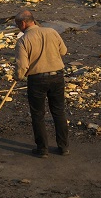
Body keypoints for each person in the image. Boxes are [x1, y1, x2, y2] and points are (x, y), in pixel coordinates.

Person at [13, 9, 69, 157]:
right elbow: (63, 51)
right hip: (57, 77)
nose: (18, 28)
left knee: (38, 115)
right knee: (58, 112)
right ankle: (63, 147)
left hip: (37, 80)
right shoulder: (51, 32)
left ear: (23, 23)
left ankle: (42, 149)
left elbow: (22, 67)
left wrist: (17, 77)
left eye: (18, 25)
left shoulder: (23, 40)